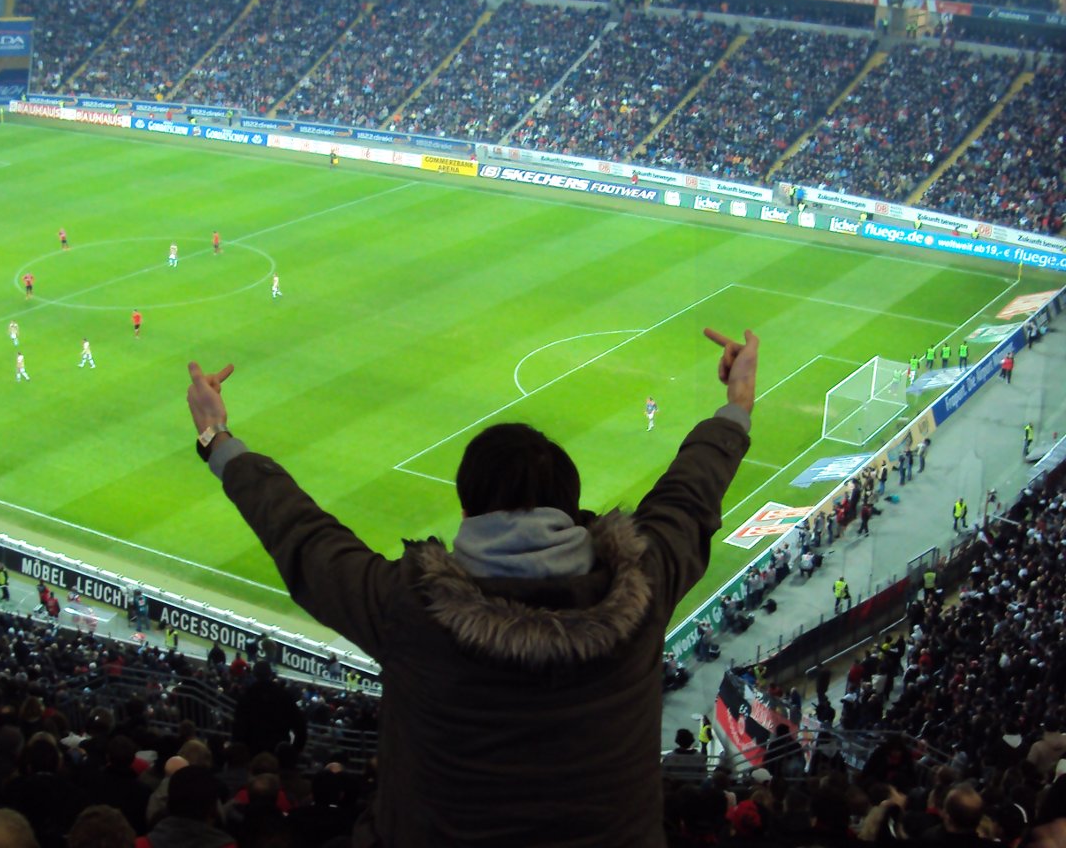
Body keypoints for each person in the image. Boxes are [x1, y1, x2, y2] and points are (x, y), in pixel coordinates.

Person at [185, 325, 758, 847]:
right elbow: (689, 495)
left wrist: (217, 436)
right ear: (570, 504)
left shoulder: (409, 607)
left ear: (465, 504)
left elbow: (302, 536)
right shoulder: (641, 588)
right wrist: (736, 405)